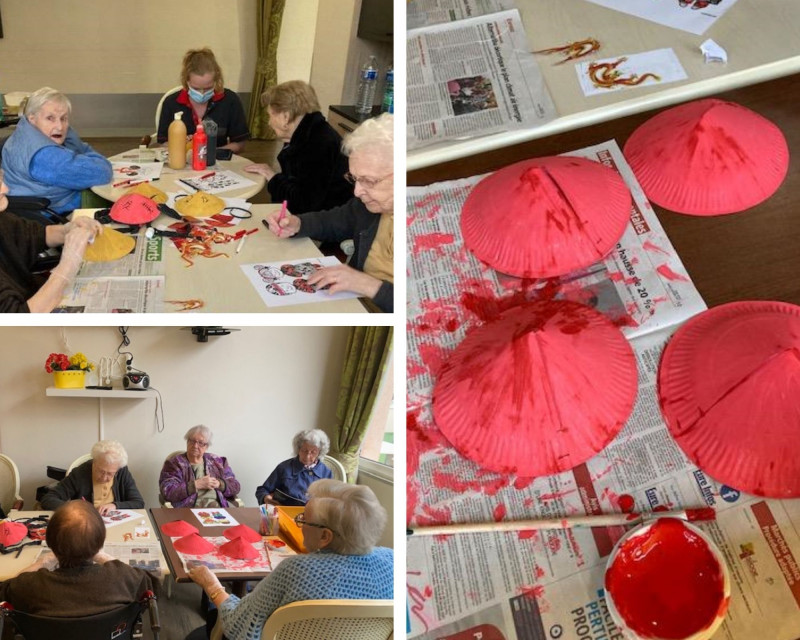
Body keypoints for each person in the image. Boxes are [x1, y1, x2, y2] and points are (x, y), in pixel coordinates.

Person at [190, 480, 393, 640]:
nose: (300, 524)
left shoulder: (296, 570)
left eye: (304, 519)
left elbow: (238, 625)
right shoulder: (394, 562)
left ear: (325, 537)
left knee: (212, 619)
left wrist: (212, 585)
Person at [263, 113, 394, 313]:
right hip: (355, 301)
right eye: (354, 178)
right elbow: (336, 220)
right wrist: (298, 223)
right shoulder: (370, 205)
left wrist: (368, 285)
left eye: (369, 181)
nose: (357, 191)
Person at [0, 501, 155, 617]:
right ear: (99, 544)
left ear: (51, 544)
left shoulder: (32, 584)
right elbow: (152, 587)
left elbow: (5, 590)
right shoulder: (122, 577)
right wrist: (101, 555)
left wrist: (43, 562)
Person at [0, 169, 102, 312]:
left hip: (32, 293)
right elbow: (19, 322)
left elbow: (36, 234)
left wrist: (67, 229)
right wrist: (68, 266)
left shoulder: (2, 218)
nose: (5, 188)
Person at [243, 81, 353, 213]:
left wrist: (272, 176)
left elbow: (304, 203)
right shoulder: (307, 133)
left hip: (327, 223)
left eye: (270, 115)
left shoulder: (319, 145)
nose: (269, 122)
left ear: (285, 117)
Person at [1, 87, 112, 213]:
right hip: (52, 211)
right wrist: (89, 158)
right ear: (32, 118)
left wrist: (79, 153)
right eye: (50, 118)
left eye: (63, 118)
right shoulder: (45, 156)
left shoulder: (25, 131)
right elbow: (103, 172)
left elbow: (80, 146)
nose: (59, 127)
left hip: (39, 199)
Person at [156, 47, 250, 154]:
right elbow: (163, 143)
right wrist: (185, 149)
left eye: (208, 88)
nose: (201, 93)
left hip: (217, 161)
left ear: (216, 81)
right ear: (186, 81)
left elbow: (240, 144)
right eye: (196, 88)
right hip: (182, 161)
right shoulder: (171, 103)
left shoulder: (230, 101)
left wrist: (210, 153)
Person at [41, 440, 144, 514]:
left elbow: (138, 502)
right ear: (94, 462)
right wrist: (75, 508)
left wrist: (115, 505)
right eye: (100, 471)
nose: (104, 478)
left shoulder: (122, 471)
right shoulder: (80, 473)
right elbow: (48, 499)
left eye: (110, 474)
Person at [159, 425, 241, 508]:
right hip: (188, 511)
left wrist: (219, 484)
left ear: (207, 446)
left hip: (218, 511)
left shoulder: (218, 462)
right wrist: (196, 485)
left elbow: (235, 486)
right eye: (192, 441)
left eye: (200, 443)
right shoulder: (174, 464)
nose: (195, 446)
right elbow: (167, 491)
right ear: (187, 442)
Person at [255, 429, 334, 506]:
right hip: (286, 514)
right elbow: (263, 490)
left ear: (319, 452)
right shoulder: (284, 468)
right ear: (298, 449)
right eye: (304, 450)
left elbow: (331, 500)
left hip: (313, 517)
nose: (307, 456)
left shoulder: (326, 473)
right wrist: (266, 498)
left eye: (313, 452)